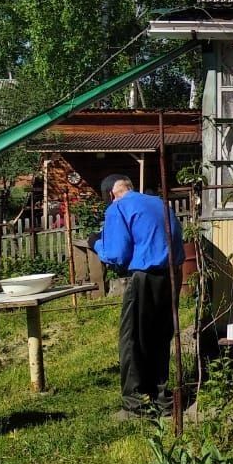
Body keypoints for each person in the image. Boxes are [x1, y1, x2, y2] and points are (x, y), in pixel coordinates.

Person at [94, 175, 183, 414]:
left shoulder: (118, 209)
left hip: (145, 277)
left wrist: (96, 244)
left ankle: (135, 404)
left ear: (110, 194)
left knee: (132, 339)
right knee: (160, 338)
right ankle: (162, 398)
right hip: (172, 275)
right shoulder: (158, 203)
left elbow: (118, 254)